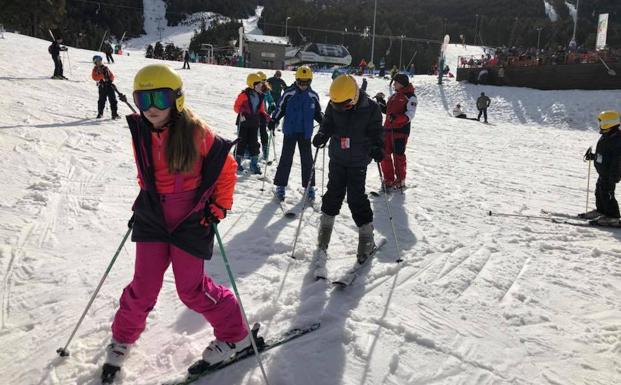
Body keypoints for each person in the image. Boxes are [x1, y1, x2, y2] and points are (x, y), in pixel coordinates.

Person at [101, 64, 249, 383]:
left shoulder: (196, 132)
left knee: (192, 289)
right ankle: (122, 339)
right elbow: (146, 173)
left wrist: (219, 206)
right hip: (154, 217)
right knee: (143, 286)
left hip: (191, 217)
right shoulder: (140, 130)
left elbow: (227, 167)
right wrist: (143, 203)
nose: (152, 107)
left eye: (161, 98)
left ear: (177, 99)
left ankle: (236, 334)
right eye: (144, 99)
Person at [311, 74, 383, 273]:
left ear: (353, 97)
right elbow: (327, 123)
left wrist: (378, 146)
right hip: (338, 157)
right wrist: (322, 134)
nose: (340, 109)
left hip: (358, 160)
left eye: (345, 105)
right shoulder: (335, 103)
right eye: (337, 105)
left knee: (355, 198)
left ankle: (367, 239)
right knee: (332, 195)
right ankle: (323, 238)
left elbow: (377, 131)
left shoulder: (372, 108)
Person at [268, 65, 323, 201]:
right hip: (290, 131)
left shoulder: (313, 96)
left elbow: (317, 113)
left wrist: (324, 123)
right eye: (300, 82)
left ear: (310, 81)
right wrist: (274, 119)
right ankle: (280, 186)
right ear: (296, 80)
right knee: (286, 158)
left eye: (306, 83)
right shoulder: (289, 93)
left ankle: (309, 187)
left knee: (307, 160)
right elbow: (280, 108)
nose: (303, 85)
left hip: (305, 133)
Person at [581, 111, 621, 226]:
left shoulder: (617, 140)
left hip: (610, 174)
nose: (599, 124)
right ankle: (601, 210)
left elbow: (618, 161)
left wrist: (614, 176)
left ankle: (613, 216)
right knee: (599, 191)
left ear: (608, 123)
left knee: (607, 193)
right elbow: (604, 155)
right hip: (603, 172)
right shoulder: (607, 135)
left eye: (601, 122)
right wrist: (593, 156)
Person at [380, 73, 417, 190]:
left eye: (395, 82)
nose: (394, 84)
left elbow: (410, 114)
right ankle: (388, 179)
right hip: (387, 129)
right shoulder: (394, 96)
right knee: (384, 154)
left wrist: (397, 118)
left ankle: (400, 180)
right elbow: (388, 111)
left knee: (398, 156)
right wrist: (380, 102)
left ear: (401, 83)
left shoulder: (410, 96)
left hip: (400, 131)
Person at [234, 73, 269, 175]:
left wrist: (266, 117)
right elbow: (236, 107)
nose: (260, 87)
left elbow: (261, 110)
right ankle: (237, 162)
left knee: (254, 143)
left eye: (260, 85)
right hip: (243, 122)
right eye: (257, 85)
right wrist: (241, 111)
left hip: (254, 123)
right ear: (251, 85)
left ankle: (253, 164)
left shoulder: (260, 96)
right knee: (241, 142)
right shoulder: (243, 95)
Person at [91, 55, 119, 119]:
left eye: (100, 60)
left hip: (109, 86)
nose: (100, 62)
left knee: (113, 100)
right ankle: (100, 113)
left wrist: (110, 80)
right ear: (95, 62)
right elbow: (94, 77)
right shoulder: (95, 70)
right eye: (98, 61)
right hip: (102, 87)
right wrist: (102, 76)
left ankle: (114, 114)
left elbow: (111, 75)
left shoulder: (105, 68)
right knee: (101, 100)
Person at [257, 71, 275, 161]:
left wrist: (272, 104)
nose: (263, 83)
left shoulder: (266, 91)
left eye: (264, 81)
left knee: (264, 134)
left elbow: (270, 100)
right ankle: (251, 152)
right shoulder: (253, 91)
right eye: (261, 81)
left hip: (263, 115)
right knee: (253, 135)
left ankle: (265, 153)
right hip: (253, 116)